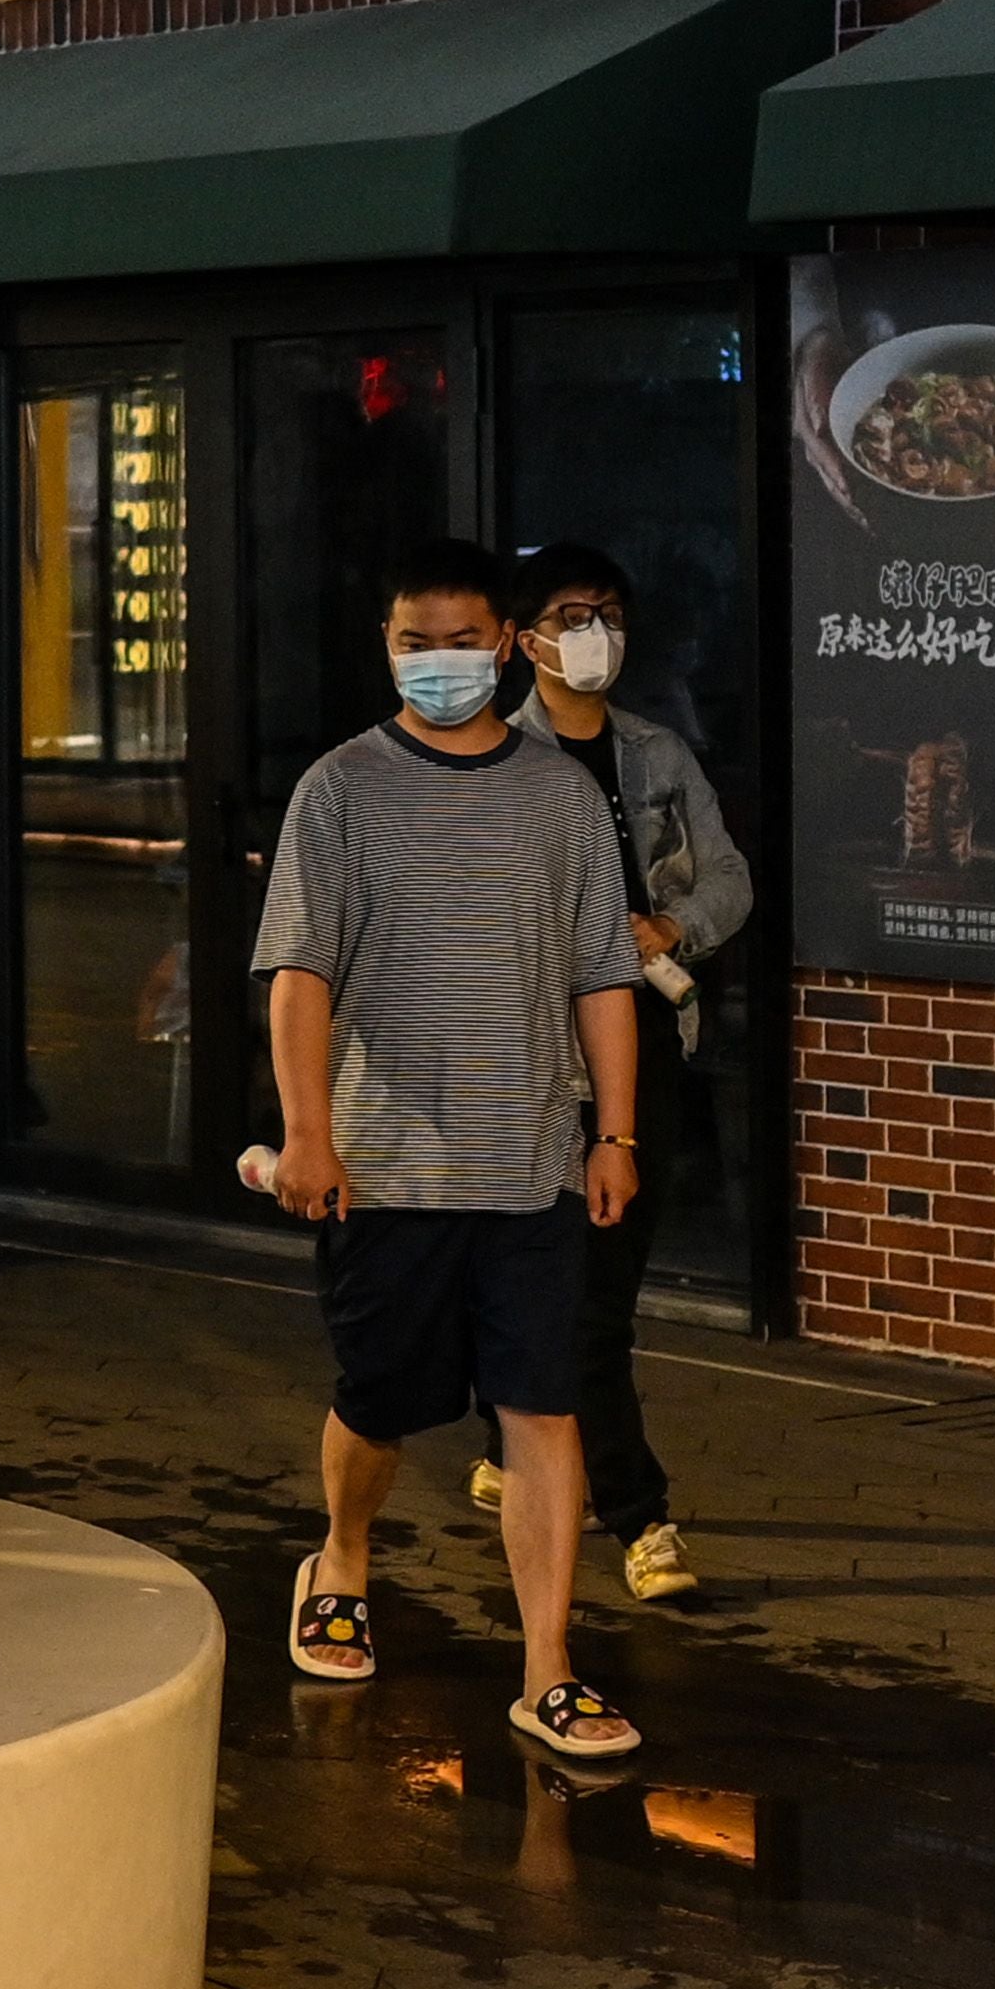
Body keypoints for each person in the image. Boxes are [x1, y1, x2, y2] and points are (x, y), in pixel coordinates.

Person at [256, 544, 653, 1762]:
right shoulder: (340, 789)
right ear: (388, 645)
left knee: (544, 1410)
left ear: (508, 644)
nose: (438, 663)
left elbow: (603, 975)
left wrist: (615, 1133)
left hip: (530, 1163)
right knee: (379, 1404)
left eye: (460, 640)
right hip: (386, 1170)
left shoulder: (563, 797)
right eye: (412, 641)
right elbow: (299, 974)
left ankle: (547, 1668)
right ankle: (344, 1554)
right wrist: (310, 1135)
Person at [466, 548, 747, 1606]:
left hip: (645, 1048)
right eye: (571, 615)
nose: (594, 634)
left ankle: (519, 1432)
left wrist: (671, 923)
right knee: (570, 1310)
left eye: (610, 615)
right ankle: (640, 1515)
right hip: (533, 1068)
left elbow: (729, 875)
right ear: (523, 639)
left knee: (598, 1301)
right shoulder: (493, 760)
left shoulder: (656, 753)